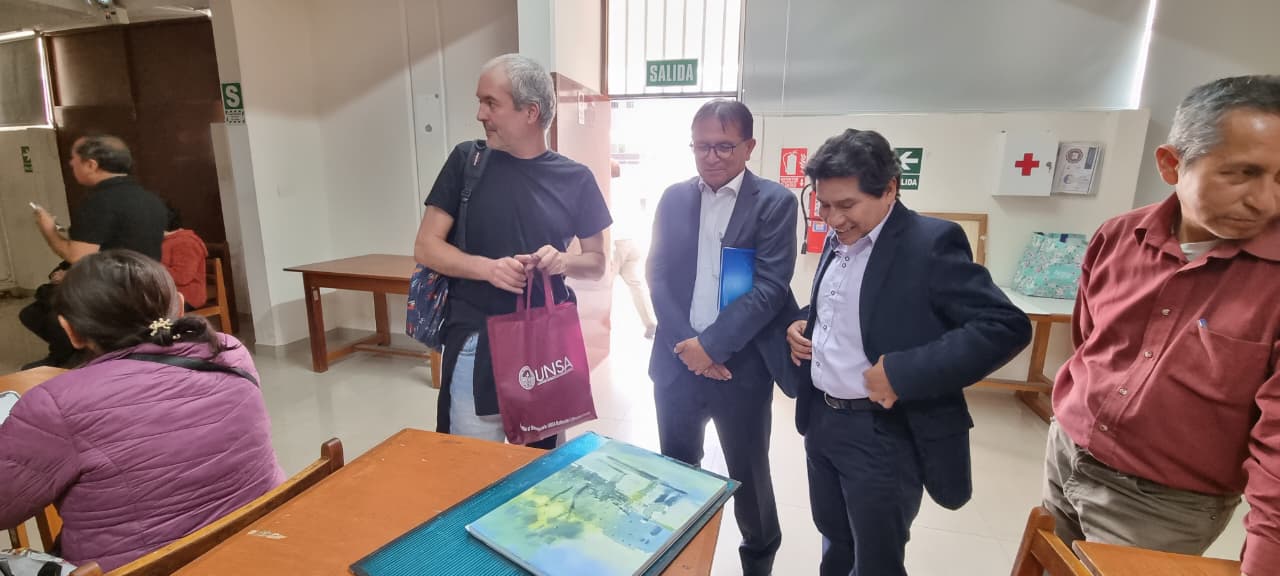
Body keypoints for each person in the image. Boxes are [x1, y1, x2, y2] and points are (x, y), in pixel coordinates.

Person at [1045, 75, 1280, 576]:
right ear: (1172, 164)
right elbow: (1090, 341)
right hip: (1068, 451)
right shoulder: (1118, 236)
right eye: (1243, 173)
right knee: (1051, 563)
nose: (1265, 201)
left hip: (1166, 503)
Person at [786, 129, 1031, 576]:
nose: (833, 219)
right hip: (822, 420)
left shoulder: (929, 243)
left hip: (881, 432)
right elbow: (849, 305)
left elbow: (1004, 326)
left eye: (846, 205)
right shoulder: (841, 239)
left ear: (889, 189)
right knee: (835, 542)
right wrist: (805, 321)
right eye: (823, 205)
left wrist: (902, 373)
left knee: (876, 559)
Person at [0, 250, 284, 572]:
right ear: (179, 307)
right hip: (258, 547)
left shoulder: (57, 404)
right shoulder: (230, 352)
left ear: (71, 331)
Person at [412, 54, 611, 450]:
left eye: (491, 103)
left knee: (538, 472)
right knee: (472, 469)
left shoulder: (576, 178)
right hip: (475, 342)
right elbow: (426, 246)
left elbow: (597, 263)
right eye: (480, 102)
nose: (480, 114)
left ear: (530, 112)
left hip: (544, 347)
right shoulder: (466, 162)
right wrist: (487, 269)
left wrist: (563, 261)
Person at [647, 99, 797, 576]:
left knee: (749, 477)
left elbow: (771, 289)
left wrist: (710, 348)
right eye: (701, 146)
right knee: (675, 473)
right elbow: (657, 275)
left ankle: (758, 562)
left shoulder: (775, 203)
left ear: (749, 146)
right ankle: (679, 561)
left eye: (724, 146)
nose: (711, 156)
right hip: (677, 365)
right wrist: (688, 347)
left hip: (741, 369)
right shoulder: (674, 198)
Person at [21, 135, 167, 369]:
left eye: (74, 159)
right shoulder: (150, 199)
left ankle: (71, 360)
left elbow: (76, 256)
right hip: (148, 286)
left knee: (45, 310)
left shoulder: (99, 202)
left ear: (91, 164)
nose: (71, 163)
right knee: (42, 304)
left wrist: (48, 230)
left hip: (109, 291)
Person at [609, 159, 658, 338]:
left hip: (616, 243)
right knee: (636, 285)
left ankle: (602, 325)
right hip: (632, 242)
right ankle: (650, 322)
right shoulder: (628, 187)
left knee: (605, 287)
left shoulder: (607, 189)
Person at [162, 205, 210, 310]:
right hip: (169, 293)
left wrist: (155, 269)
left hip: (186, 296)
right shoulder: (167, 241)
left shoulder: (186, 242)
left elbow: (182, 277)